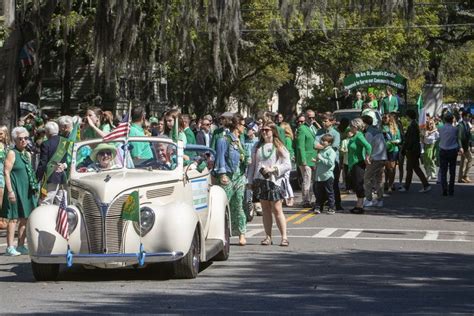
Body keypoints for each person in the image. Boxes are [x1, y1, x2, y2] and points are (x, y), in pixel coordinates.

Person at [247, 122, 291, 246]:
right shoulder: (257, 146)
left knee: (277, 209)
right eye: (263, 130)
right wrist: (250, 181)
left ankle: (284, 237)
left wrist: (274, 169)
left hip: (274, 181)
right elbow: (252, 165)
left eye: (267, 130)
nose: (265, 132)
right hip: (260, 181)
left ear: (273, 131)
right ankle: (268, 237)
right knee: (265, 209)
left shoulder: (279, 146)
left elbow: (287, 165)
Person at [1, 127, 38, 256]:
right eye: (20, 139)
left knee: (25, 218)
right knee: (13, 218)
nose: (23, 141)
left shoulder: (27, 154)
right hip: (15, 188)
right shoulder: (12, 153)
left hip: (27, 189)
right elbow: (6, 172)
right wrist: (10, 191)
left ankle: (21, 245)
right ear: (15, 140)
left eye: (25, 138)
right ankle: (10, 247)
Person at [214, 114, 247, 246]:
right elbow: (220, 158)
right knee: (224, 206)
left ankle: (241, 234)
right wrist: (222, 174)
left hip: (239, 176)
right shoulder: (224, 140)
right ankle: (222, 234)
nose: (244, 127)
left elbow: (243, 156)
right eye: (243, 125)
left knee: (239, 204)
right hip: (227, 175)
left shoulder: (240, 140)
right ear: (237, 125)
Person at [36, 120, 69, 205]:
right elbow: (68, 159)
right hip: (63, 176)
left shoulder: (45, 144)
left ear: (47, 132)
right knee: (61, 203)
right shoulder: (66, 142)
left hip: (51, 177)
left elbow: (43, 163)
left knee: (45, 203)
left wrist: (37, 177)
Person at [314, 113, 343, 210]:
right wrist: (325, 146)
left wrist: (321, 146)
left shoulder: (336, 133)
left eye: (325, 121)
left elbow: (333, 146)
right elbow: (315, 145)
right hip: (321, 162)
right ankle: (320, 205)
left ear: (331, 122)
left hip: (332, 162)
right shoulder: (319, 132)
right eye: (322, 121)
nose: (323, 122)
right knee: (320, 184)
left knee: (333, 184)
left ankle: (336, 204)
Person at [400, 110, 431, 193]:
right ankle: (407, 186)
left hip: (412, 150)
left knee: (415, 168)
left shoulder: (412, 126)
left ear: (408, 116)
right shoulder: (414, 124)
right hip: (413, 149)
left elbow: (411, 140)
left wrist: (407, 148)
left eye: (407, 116)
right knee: (410, 169)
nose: (406, 118)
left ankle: (426, 185)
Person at [347, 118, 372, 214]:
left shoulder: (359, 136)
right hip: (353, 163)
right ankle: (358, 204)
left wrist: (367, 157)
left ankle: (360, 205)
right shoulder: (354, 136)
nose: (350, 128)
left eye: (351, 126)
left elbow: (368, 146)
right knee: (355, 184)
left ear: (356, 127)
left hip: (358, 163)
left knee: (358, 184)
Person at [361, 115, 387, 208]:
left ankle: (368, 199)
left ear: (365, 123)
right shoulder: (377, 130)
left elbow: (368, 147)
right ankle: (380, 200)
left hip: (374, 158)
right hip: (382, 157)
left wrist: (367, 158)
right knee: (379, 179)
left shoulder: (369, 133)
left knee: (367, 178)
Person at [312, 134, 337, 214]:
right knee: (319, 193)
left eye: (324, 141)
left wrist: (321, 158)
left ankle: (331, 207)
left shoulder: (331, 151)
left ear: (329, 143)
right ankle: (318, 207)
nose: (322, 142)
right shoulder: (322, 150)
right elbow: (321, 162)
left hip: (327, 176)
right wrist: (316, 161)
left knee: (329, 193)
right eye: (322, 140)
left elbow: (330, 163)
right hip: (319, 176)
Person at [295, 114, 316, 207]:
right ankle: (305, 200)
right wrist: (303, 159)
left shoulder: (313, 128)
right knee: (307, 178)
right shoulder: (301, 129)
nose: (311, 119)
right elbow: (300, 146)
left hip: (313, 158)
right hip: (305, 158)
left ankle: (310, 199)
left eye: (313, 118)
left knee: (311, 180)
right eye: (309, 117)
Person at [438, 113, 461, 196]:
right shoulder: (455, 129)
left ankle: (444, 188)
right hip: (452, 150)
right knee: (452, 171)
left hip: (443, 150)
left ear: (444, 120)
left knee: (443, 171)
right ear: (452, 120)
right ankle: (451, 189)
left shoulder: (440, 128)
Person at [382, 114, 401, 192]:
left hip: (393, 149)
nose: (384, 119)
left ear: (390, 119)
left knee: (391, 168)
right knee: (386, 168)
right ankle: (386, 183)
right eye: (383, 118)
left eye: (385, 117)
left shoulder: (395, 128)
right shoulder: (381, 127)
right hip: (384, 149)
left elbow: (399, 139)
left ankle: (391, 185)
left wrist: (396, 141)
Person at [280, 122, 295, 207]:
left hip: (286, 161)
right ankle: (285, 198)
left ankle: (291, 197)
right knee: (282, 180)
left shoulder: (287, 139)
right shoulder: (282, 139)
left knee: (286, 180)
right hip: (282, 161)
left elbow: (288, 150)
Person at [457, 111, 472, 183]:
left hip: (466, 146)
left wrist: (471, 145)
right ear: (463, 117)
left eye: (469, 116)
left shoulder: (467, 125)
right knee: (470, 159)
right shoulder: (460, 125)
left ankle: (461, 178)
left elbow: (469, 137)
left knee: (464, 162)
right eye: (468, 116)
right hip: (463, 147)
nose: (469, 118)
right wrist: (460, 147)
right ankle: (464, 176)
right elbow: (459, 137)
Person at [0, 126, 10, 229]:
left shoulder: (8, 147)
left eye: (1, 134)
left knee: (4, 198)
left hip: (6, 173)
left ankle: (4, 219)